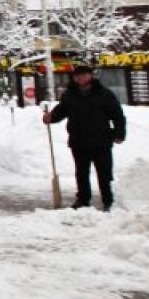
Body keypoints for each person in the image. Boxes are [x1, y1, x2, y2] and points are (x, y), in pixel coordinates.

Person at [43, 64, 126, 211]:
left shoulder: (104, 94)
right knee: (81, 173)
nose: (80, 78)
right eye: (77, 76)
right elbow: (61, 111)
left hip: (101, 141)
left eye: (83, 74)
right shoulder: (69, 95)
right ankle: (83, 200)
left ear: (90, 76)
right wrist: (51, 117)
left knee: (104, 173)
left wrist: (119, 133)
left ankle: (108, 200)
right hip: (78, 140)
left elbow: (117, 115)